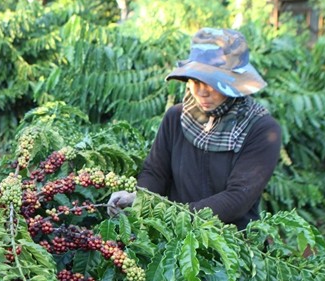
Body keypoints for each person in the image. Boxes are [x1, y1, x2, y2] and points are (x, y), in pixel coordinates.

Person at [109, 28, 282, 230]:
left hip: (232, 243)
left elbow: (237, 198)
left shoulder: (261, 129)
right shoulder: (176, 117)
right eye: (195, 80)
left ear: (233, 83)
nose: (201, 92)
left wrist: (174, 216)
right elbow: (156, 172)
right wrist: (138, 199)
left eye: (211, 82)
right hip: (174, 234)